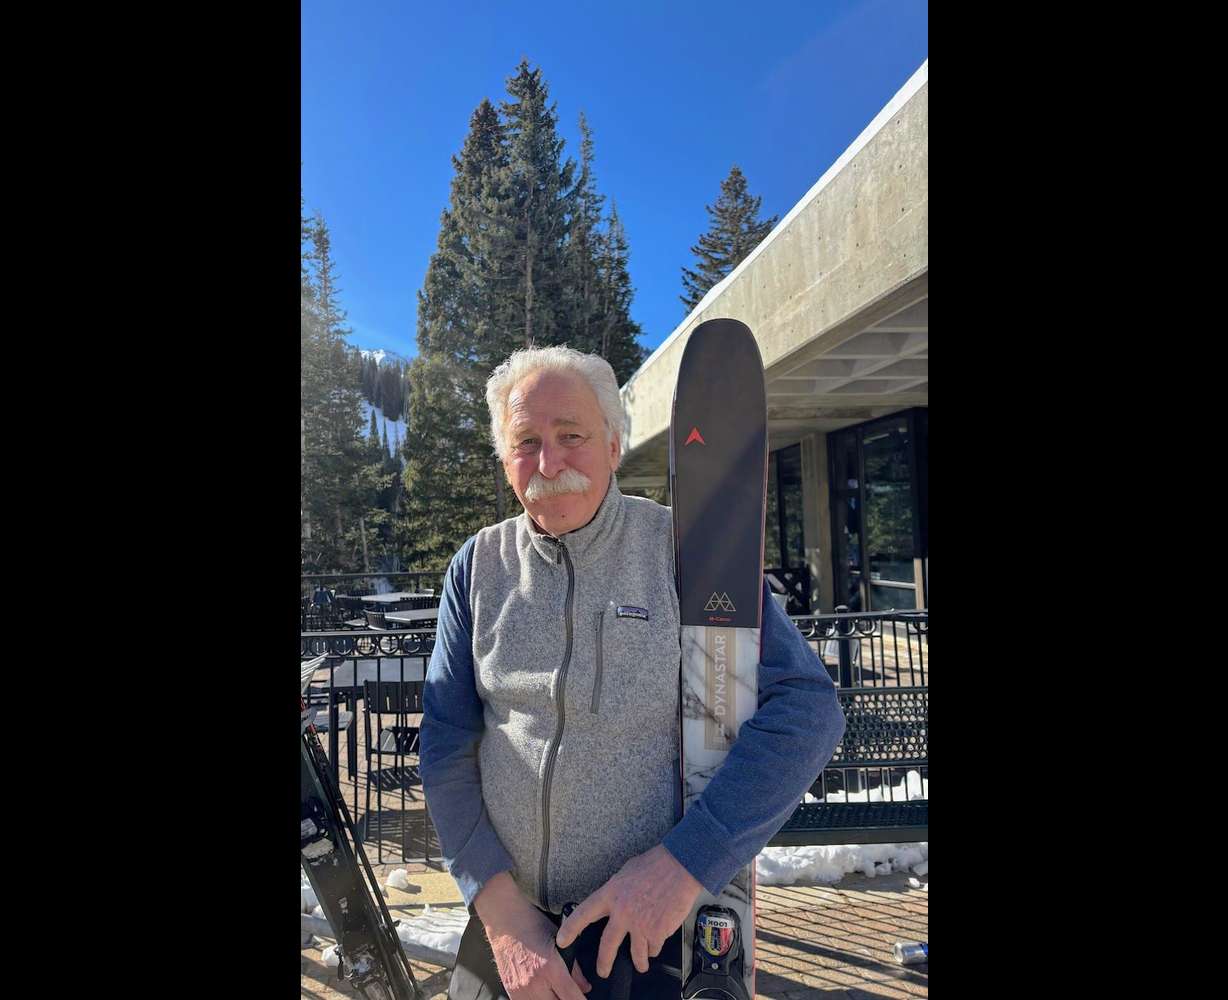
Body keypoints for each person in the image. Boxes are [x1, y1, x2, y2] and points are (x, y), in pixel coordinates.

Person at [420, 346, 846, 1000]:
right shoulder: (478, 568)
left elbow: (807, 712)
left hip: (644, 924)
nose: (548, 462)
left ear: (614, 445)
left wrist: (682, 867)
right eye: (526, 442)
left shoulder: (688, 552)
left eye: (571, 436)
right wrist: (502, 918)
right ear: (504, 458)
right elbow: (447, 744)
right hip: (510, 924)